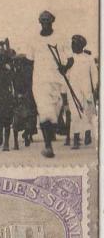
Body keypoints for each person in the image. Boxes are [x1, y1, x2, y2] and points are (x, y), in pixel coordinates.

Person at [24, 10, 73, 158]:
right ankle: (48, 146)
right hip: (39, 82)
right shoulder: (33, 40)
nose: (45, 23)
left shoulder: (61, 37)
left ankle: (50, 138)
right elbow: (29, 62)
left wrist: (65, 68)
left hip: (57, 82)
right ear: (39, 22)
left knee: (54, 114)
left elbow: (70, 59)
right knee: (45, 112)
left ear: (52, 21)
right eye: (43, 20)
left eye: (48, 20)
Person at [68, 34, 98, 148]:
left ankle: (87, 134)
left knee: (86, 112)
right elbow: (66, 74)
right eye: (72, 44)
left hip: (86, 90)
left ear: (81, 45)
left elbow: (94, 74)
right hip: (73, 90)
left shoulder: (89, 58)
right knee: (75, 114)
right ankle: (75, 139)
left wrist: (95, 88)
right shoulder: (70, 58)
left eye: (74, 44)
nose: (72, 46)